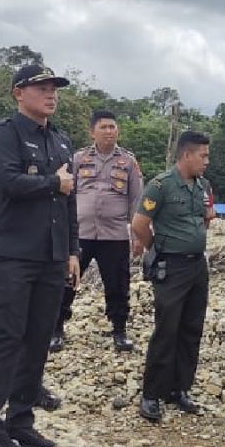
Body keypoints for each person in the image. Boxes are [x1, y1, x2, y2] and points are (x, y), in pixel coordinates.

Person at [0, 64, 80, 447]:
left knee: (37, 340)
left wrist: (72, 250)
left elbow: (70, 202)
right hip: (14, 254)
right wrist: (53, 183)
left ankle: (21, 419)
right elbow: (7, 183)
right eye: (42, 87)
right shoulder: (5, 135)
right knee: (6, 338)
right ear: (19, 93)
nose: (51, 94)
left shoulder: (61, 140)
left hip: (51, 256)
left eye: (54, 88)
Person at [133, 131, 215, 422]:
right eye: (202, 155)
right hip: (172, 266)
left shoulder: (202, 185)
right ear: (185, 155)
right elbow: (140, 224)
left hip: (196, 266)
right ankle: (152, 394)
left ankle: (179, 388)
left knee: (191, 329)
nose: (207, 161)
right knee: (167, 330)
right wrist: (158, 248)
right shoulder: (161, 186)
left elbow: (207, 216)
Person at [53, 109, 144, 353]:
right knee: (67, 280)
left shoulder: (128, 162)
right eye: (103, 127)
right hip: (80, 233)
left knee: (118, 283)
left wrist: (137, 236)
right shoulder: (78, 158)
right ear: (92, 131)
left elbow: (136, 199)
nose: (108, 131)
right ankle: (56, 329)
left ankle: (119, 329)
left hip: (114, 234)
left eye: (112, 127)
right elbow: (64, 194)